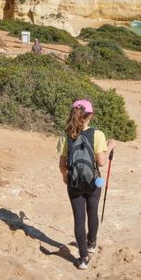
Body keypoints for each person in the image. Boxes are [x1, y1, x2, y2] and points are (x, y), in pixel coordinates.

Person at [58, 99, 115, 270]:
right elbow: (102, 162)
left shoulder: (65, 135)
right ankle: (92, 242)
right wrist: (110, 146)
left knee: (79, 219)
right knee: (93, 213)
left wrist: (65, 177)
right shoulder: (97, 134)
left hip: (74, 183)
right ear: (90, 115)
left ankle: (83, 259)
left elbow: (62, 164)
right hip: (93, 182)